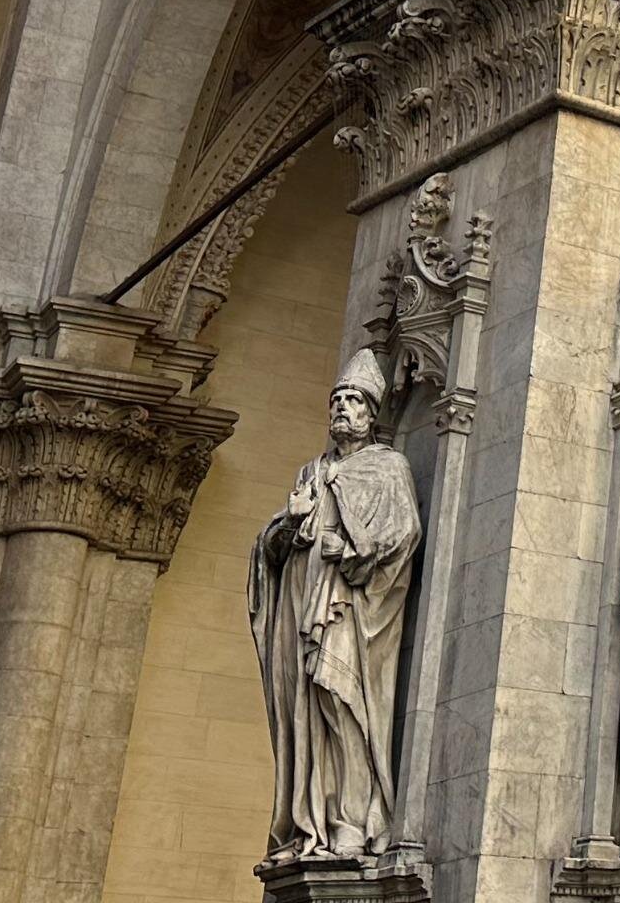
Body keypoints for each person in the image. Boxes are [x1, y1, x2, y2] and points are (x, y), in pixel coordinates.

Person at [250, 348, 421, 865]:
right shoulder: (312, 471)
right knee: (301, 712)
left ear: (372, 413)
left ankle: (351, 821)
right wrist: (288, 523)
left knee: (340, 704)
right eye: (337, 400)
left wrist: (346, 551)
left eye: (354, 400)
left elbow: (403, 535)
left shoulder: (388, 468)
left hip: (347, 607)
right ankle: (309, 825)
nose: (342, 407)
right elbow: (271, 550)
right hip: (299, 606)